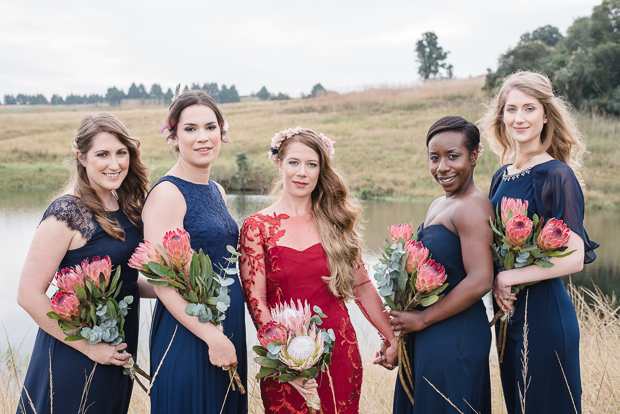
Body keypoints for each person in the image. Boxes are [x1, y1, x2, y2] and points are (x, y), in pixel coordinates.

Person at [238, 127, 398, 414]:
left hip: (339, 351)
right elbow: (257, 300)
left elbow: (361, 287)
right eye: (294, 163)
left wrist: (392, 338)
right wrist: (284, 359)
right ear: (279, 163)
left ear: (321, 170)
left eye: (311, 164)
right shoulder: (256, 227)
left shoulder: (336, 222)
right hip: (284, 359)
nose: (302, 172)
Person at [16, 112, 152, 414]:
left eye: (121, 152)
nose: (114, 164)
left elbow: (124, 280)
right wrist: (89, 348)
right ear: (81, 157)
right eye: (102, 154)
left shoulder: (125, 206)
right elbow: (28, 294)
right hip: (75, 353)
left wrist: (173, 288)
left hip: (116, 348)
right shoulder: (66, 212)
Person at [481, 71, 598, 414]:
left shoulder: (556, 174)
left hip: (545, 316)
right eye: (511, 109)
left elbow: (575, 258)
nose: (519, 118)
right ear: (501, 115)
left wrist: (507, 278)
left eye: (529, 109)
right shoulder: (501, 174)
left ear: (545, 115)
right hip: (507, 319)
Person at [142, 89, 247, 414]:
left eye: (210, 127)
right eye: (190, 129)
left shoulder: (216, 190)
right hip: (188, 332)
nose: (203, 137)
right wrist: (211, 336)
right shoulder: (168, 193)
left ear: (222, 132)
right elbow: (161, 281)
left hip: (226, 323)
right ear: (173, 137)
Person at [388, 116, 493, 414]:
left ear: (474, 155)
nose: (442, 167)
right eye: (435, 158)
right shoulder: (440, 203)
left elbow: (481, 279)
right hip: (428, 333)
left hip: (454, 335)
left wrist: (422, 320)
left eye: (453, 156)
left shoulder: (472, 206)